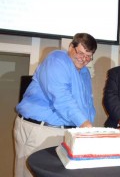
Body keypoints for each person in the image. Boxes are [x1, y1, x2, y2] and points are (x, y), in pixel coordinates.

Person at [14, 33, 97, 177]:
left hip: (63, 132)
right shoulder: (57, 59)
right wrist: (85, 124)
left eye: (88, 56)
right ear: (71, 47)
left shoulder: (84, 73)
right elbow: (61, 97)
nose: (83, 59)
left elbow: (87, 104)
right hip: (42, 131)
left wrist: (89, 129)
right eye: (80, 53)